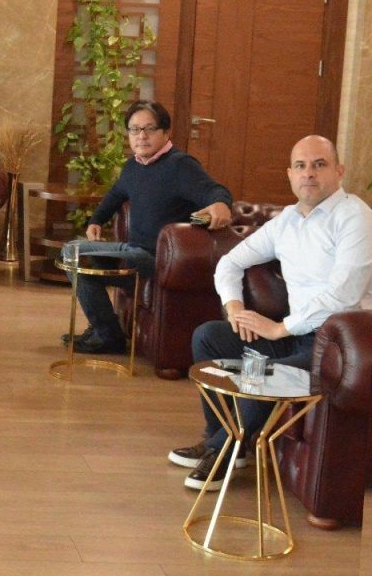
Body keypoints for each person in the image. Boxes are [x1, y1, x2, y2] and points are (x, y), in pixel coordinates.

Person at [168, 135, 372, 491]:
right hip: (297, 335)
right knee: (209, 337)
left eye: (319, 165)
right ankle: (223, 440)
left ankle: (223, 449)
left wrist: (279, 328)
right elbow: (229, 262)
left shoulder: (355, 217)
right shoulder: (287, 220)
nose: (309, 173)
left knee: (263, 372)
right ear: (290, 174)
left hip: (340, 346)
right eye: (300, 166)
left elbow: (343, 296)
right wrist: (234, 308)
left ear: (339, 171)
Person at [62, 101, 232, 354]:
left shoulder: (180, 165)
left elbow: (213, 190)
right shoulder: (134, 166)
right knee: (73, 250)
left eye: (149, 129)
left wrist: (221, 203)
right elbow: (115, 195)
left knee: (77, 256)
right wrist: (96, 220)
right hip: (133, 249)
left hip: (158, 258)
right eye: (134, 129)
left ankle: (107, 336)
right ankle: (105, 331)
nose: (141, 136)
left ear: (166, 133)